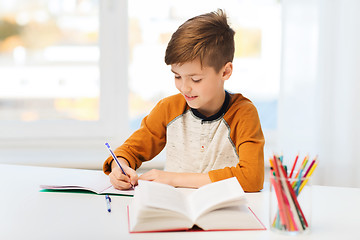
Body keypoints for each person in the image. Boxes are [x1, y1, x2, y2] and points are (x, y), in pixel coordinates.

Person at [103, 9, 264, 192]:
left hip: (222, 213)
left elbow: (252, 178)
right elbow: (129, 151)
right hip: (175, 211)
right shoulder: (168, 109)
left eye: (196, 79)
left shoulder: (243, 114)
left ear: (225, 72)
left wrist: (173, 178)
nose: (184, 88)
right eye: (177, 76)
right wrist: (119, 167)